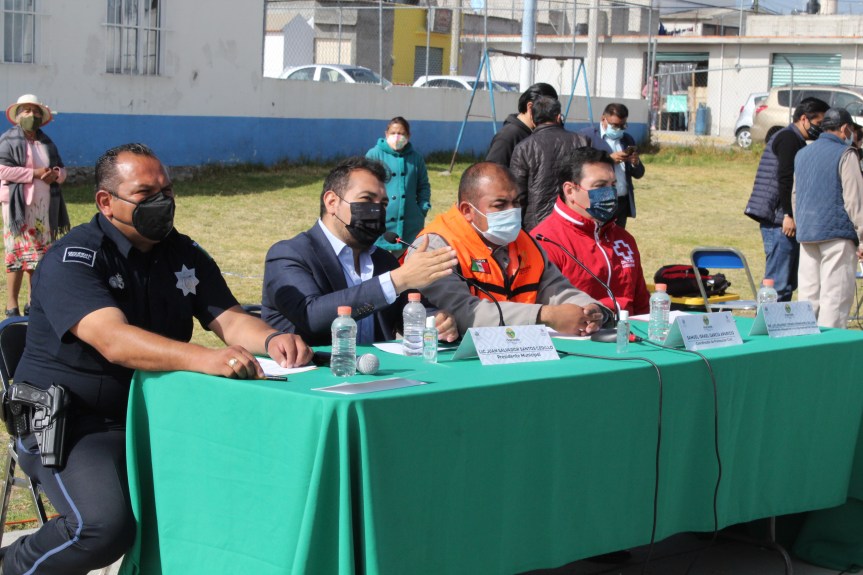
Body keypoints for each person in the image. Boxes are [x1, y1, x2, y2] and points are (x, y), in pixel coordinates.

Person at [0, 143, 312, 575]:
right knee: (102, 527)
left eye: (167, 190)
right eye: (146, 194)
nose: (162, 203)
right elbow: (114, 340)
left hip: (161, 413)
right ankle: (15, 563)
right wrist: (203, 358)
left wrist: (274, 339)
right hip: (70, 421)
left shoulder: (182, 253)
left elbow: (231, 319)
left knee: (241, 489)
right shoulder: (72, 258)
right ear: (106, 202)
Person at [262, 156, 459, 346]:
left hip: (380, 374)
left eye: (382, 204)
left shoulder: (383, 261)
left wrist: (437, 321)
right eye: (366, 199)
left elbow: (414, 312)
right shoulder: (288, 254)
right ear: (332, 202)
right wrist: (396, 280)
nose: (377, 210)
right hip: (312, 374)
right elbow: (311, 316)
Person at [405, 162, 609, 337]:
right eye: (500, 205)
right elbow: (463, 312)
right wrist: (546, 316)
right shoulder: (433, 247)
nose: (512, 212)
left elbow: (556, 289)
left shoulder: (525, 242)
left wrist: (591, 310)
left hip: (518, 349)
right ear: (467, 211)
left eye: (516, 202)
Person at [531, 147, 650, 316]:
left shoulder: (624, 239)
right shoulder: (543, 242)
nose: (610, 193)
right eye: (600, 186)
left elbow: (642, 307)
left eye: (613, 185)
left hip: (629, 336)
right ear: (570, 190)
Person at [744, 97, 829, 302]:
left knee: (787, 282)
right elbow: (785, 179)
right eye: (819, 124)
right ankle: (766, 330)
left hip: (781, 218)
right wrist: (788, 215)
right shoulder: (789, 139)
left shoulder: (795, 139)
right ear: (803, 119)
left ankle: (780, 328)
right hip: (778, 220)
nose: (821, 129)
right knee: (777, 285)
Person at [0, 94, 70, 318]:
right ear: (18, 116)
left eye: (36, 111)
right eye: (27, 111)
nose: (32, 115)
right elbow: (2, 171)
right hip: (17, 207)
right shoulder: (8, 140)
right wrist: (34, 174)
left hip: (43, 207)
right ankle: (12, 306)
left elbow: (62, 169)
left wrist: (55, 175)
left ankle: (33, 302)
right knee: (17, 255)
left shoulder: (47, 142)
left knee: (38, 257)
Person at [793, 108, 863, 329]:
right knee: (835, 301)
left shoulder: (802, 154)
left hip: (807, 235)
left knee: (807, 301)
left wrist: (801, 224)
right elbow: (855, 201)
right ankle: (830, 355)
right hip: (837, 237)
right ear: (844, 128)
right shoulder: (846, 154)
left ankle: (802, 349)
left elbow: (795, 195)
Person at [509, 96, 590, 231]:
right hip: (575, 219)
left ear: (533, 120)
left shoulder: (523, 147)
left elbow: (517, 193)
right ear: (558, 117)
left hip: (538, 225)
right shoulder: (582, 141)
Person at [365, 117, 431, 251]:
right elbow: (364, 185)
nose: (397, 137)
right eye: (393, 133)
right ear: (386, 134)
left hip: (410, 225)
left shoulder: (416, 158)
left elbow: (423, 186)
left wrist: (422, 209)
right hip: (382, 222)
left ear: (408, 136)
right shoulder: (374, 154)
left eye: (401, 133)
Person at [578, 103, 645, 229]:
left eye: (622, 125)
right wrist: (608, 159)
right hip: (600, 201)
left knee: (617, 240)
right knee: (598, 238)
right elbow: (580, 165)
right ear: (603, 119)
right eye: (615, 125)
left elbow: (639, 173)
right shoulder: (587, 136)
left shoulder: (627, 139)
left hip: (622, 202)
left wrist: (635, 162)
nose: (619, 129)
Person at [485, 82, 558, 168]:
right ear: (530, 107)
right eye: (548, 111)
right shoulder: (508, 136)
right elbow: (493, 173)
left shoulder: (535, 132)